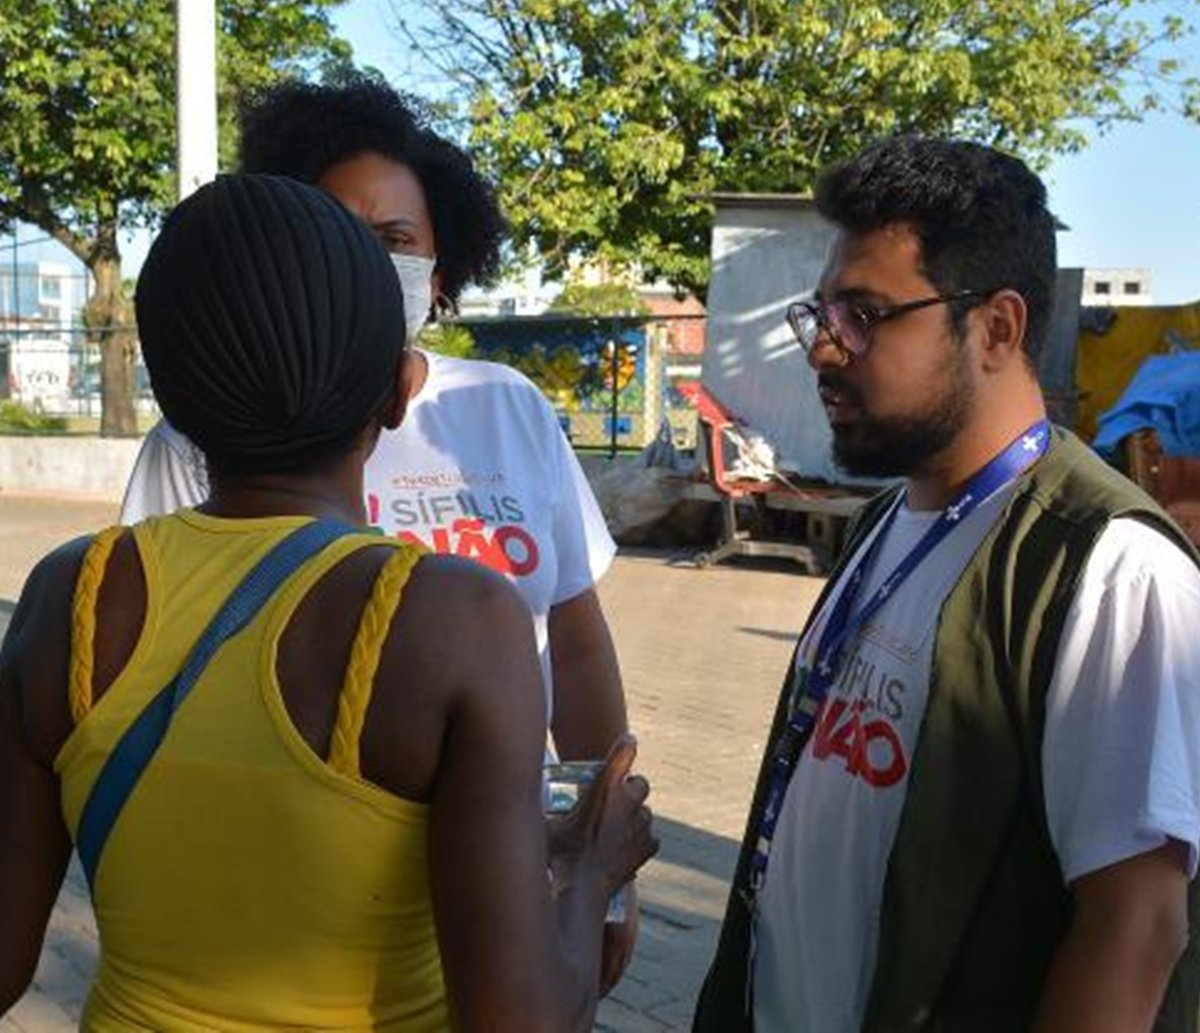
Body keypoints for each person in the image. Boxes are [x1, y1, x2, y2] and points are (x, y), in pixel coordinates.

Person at [0, 173, 656, 1029]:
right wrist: (592, 871)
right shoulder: (453, 618)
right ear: (393, 392)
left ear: (174, 398)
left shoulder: (71, 596)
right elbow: (522, 1017)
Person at [119, 78, 637, 986]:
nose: (365, 265)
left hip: (507, 860)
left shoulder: (506, 408)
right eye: (335, 235)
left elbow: (579, 644)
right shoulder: (206, 439)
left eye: (396, 242)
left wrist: (599, 867)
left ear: (439, 273)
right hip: (290, 891)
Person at [694, 136, 1200, 1032]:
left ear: (998, 327)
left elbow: (1135, 925)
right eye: (820, 314)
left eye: (864, 315)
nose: (823, 351)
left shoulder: (1112, 567)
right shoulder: (892, 520)